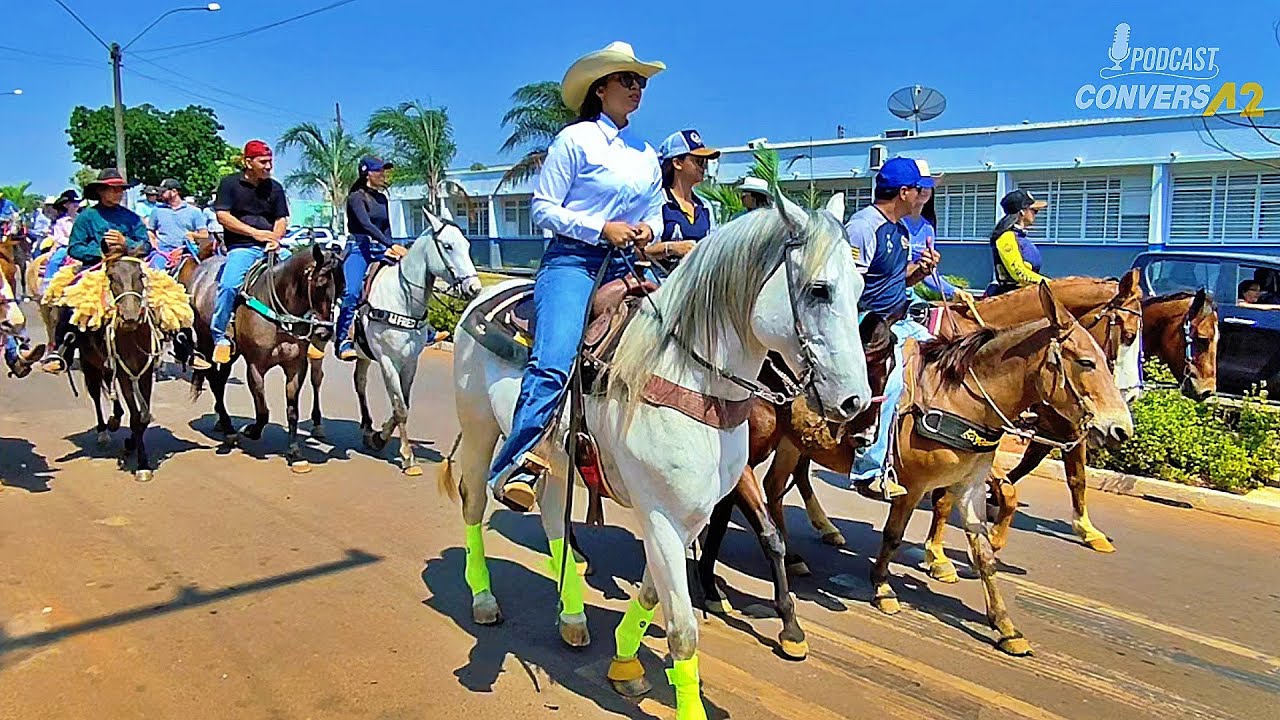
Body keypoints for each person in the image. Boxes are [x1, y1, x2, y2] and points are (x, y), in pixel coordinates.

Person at [489, 40, 665, 513]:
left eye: (641, 82)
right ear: (601, 87)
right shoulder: (575, 140)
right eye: (629, 80)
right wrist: (599, 227)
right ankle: (520, 460)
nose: (637, 89)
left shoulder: (646, 154)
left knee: (684, 335)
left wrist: (651, 228)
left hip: (628, 262)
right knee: (555, 358)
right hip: (572, 260)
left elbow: (657, 212)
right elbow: (542, 208)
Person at [844, 157, 940, 500]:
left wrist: (919, 272)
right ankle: (868, 468)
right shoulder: (863, 227)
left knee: (944, 355)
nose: (923, 197)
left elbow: (894, 280)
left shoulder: (899, 230)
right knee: (895, 376)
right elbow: (847, 286)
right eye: (920, 191)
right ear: (904, 192)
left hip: (899, 319)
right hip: (865, 321)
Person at [41, 169, 151, 374]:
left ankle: (184, 347)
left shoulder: (131, 218)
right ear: (101, 191)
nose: (118, 193)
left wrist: (124, 242)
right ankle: (61, 348)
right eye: (112, 189)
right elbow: (75, 247)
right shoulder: (87, 217)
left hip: (130, 266)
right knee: (70, 298)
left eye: (120, 189)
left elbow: (146, 246)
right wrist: (102, 252)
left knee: (168, 296)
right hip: (95, 268)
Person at [209, 140, 291, 365]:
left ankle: (309, 331)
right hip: (243, 247)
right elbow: (223, 216)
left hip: (271, 247)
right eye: (263, 162)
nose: (268, 166)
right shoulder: (229, 184)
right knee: (228, 286)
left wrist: (275, 238)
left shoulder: (275, 187)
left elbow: (281, 218)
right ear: (248, 162)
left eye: (270, 162)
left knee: (302, 277)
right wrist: (255, 234)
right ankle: (221, 336)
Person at [336, 156, 407, 360]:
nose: (384, 175)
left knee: (410, 278)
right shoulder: (356, 197)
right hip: (358, 248)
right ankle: (342, 340)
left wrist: (390, 248)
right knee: (352, 292)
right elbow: (366, 225)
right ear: (367, 173)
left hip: (380, 248)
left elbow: (385, 228)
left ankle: (425, 329)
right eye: (380, 171)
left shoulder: (382, 198)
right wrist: (390, 245)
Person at [647, 128, 719, 274]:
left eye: (705, 162)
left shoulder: (705, 207)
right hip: (662, 286)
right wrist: (672, 248)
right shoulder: (657, 202)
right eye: (698, 161)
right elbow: (641, 250)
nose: (703, 167)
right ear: (677, 163)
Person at [902, 160, 970, 304]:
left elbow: (928, 272)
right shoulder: (895, 223)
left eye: (929, 185)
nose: (924, 189)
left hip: (909, 295)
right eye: (920, 185)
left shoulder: (928, 228)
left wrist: (954, 291)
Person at [987, 188, 1048, 296]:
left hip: (1026, 294)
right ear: (1022, 212)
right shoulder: (1006, 237)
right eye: (1034, 211)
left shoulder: (1021, 237)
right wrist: (1051, 284)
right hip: (1010, 298)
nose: (1036, 214)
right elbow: (1019, 274)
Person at [147, 178, 208, 271]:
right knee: (152, 274)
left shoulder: (194, 211)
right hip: (163, 252)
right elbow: (150, 232)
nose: (160, 195)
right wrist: (155, 247)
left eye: (163, 192)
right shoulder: (157, 210)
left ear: (174, 192)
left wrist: (192, 235)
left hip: (187, 251)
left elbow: (204, 234)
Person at [40, 190, 83, 291]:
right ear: (66, 205)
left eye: (77, 203)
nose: (76, 205)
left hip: (82, 245)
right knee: (56, 260)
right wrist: (72, 242)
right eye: (73, 203)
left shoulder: (82, 219)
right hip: (67, 247)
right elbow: (59, 237)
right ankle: (47, 284)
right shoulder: (61, 222)